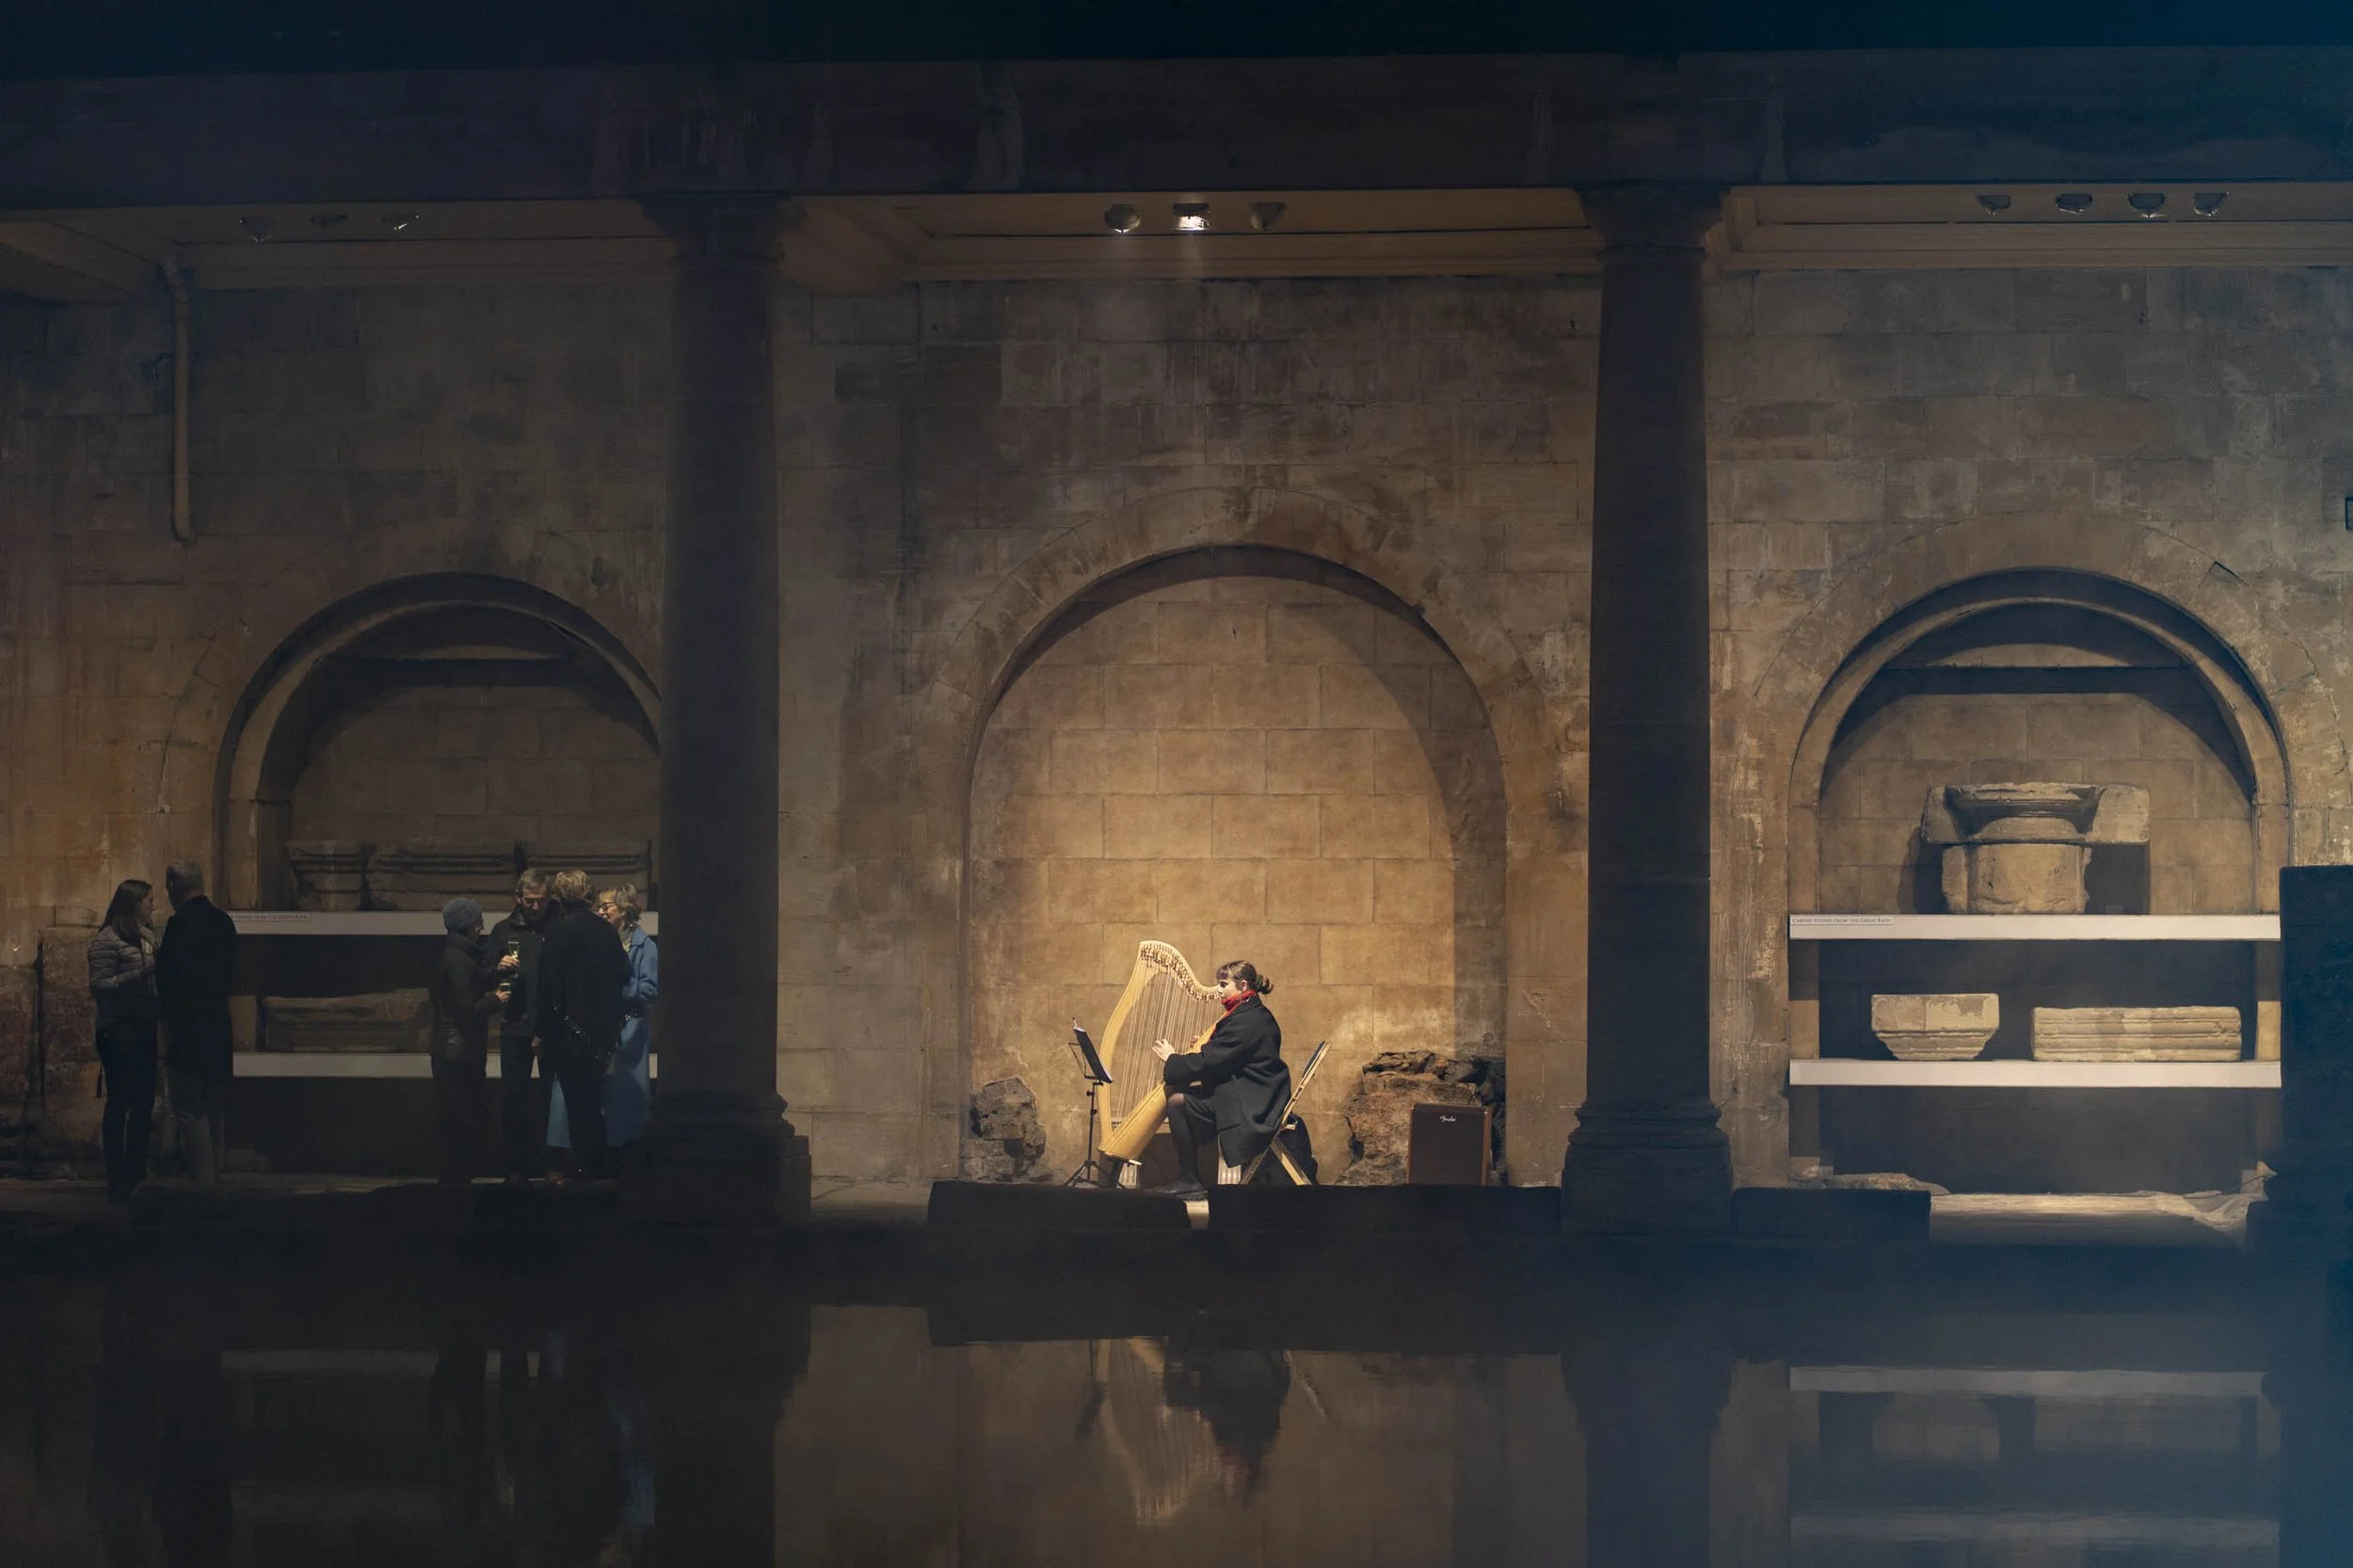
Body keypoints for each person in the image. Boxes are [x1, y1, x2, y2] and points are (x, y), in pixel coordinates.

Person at [1151, 960, 1290, 1198]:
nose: (1218, 989)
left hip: (1252, 1102)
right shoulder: (1250, 1013)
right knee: (1185, 1100)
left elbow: (1209, 1062)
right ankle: (1191, 1176)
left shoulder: (1247, 1021)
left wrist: (1172, 1059)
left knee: (1178, 1103)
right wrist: (1208, 1047)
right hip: (1252, 1091)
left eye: (1224, 984)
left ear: (1243, 985)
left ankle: (1189, 1179)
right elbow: (1225, 1056)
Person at [549, 883, 657, 1165]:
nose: (601, 911)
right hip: (595, 1026)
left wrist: (614, 988)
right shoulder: (597, 938)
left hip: (628, 1029)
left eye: (607, 906)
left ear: (625, 910)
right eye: (600, 906)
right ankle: (579, 1156)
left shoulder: (646, 946)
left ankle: (623, 1156)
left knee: (624, 1098)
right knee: (584, 1095)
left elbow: (650, 989)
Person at [535, 870, 628, 1183]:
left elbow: (548, 987)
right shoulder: (605, 931)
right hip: (601, 1031)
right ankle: (598, 1168)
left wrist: (542, 1031)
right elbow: (623, 976)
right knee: (592, 1100)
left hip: (567, 1031)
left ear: (560, 897)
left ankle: (587, 1170)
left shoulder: (558, 932)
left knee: (577, 1104)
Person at [154, 860, 235, 1190]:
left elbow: (169, 980)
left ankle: (205, 1187)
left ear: (174, 886)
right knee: (215, 1109)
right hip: (218, 1026)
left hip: (188, 1030)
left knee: (190, 1109)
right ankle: (215, 1176)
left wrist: (169, 1024)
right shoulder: (223, 922)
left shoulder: (180, 925)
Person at [88, 878, 161, 1200]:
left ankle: (137, 1171)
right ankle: (117, 1175)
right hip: (118, 1028)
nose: (153, 907)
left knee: (144, 1101)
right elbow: (99, 985)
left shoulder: (147, 936)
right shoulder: (106, 941)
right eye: (149, 901)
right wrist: (140, 975)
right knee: (120, 1101)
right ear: (132, 905)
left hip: (144, 1025)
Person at [427, 897, 506, 1187]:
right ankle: (458, 1184)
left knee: (454, 1119)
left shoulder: (454, 955)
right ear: (472, 926)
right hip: (459, 1052)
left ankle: (453, 1182)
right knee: (467, 1119)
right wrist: (496, 1000)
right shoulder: (459, 961)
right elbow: (467, 1008)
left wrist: (496, 972)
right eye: (479, 922)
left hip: (449, 1050)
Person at [487, 870, 554, 1184]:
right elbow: (484, 974)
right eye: (531, 902)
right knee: (514, 1098)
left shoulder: (557, 928)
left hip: (550, 1024)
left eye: (542, 901)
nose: (537, 907)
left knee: (551, 1098)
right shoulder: (503, 931)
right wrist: (497, 966)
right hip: (515, 1023)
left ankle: (551, 1162)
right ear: (519, 898)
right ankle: (516, 1165)